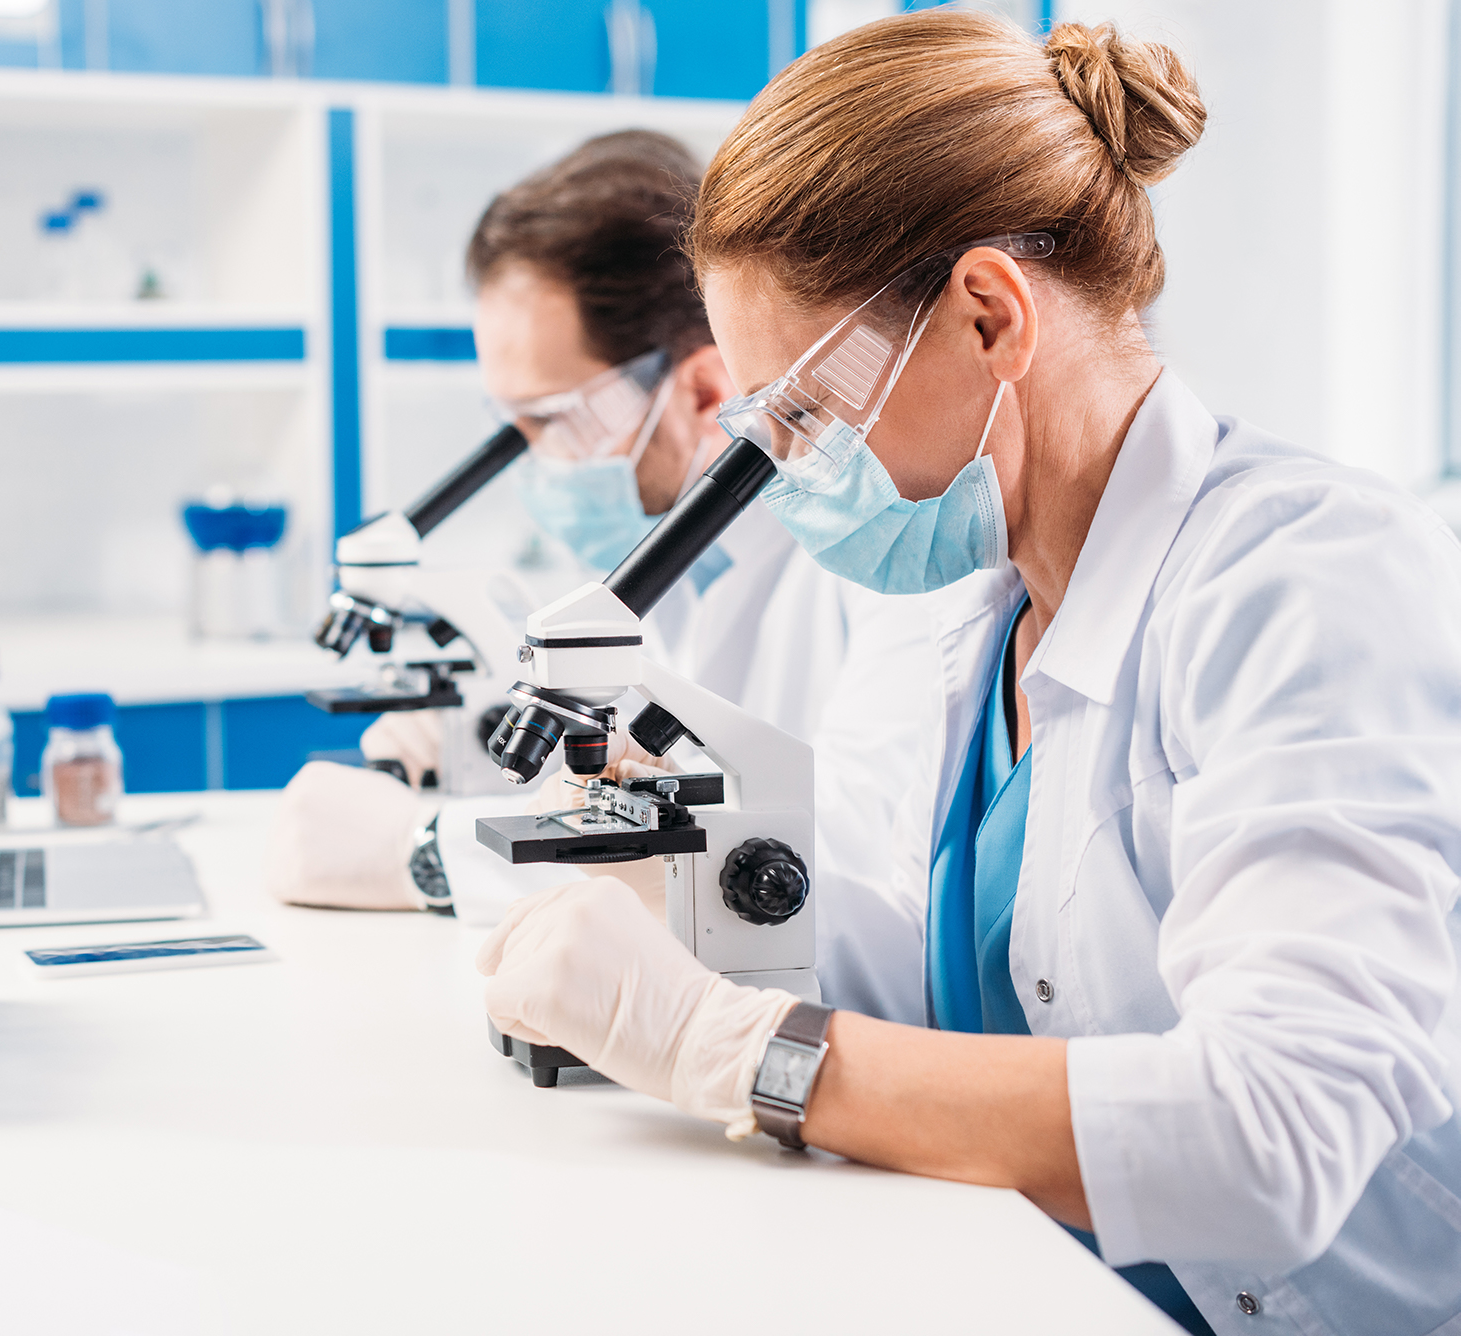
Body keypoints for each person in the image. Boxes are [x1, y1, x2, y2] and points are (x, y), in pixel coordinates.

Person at [475, 13, 1461, 1334]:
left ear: (988, 315)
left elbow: (1270, 1135)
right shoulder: (956, 611)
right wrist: (677, 874)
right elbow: (917, 998)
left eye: (804, 418)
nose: (791, 476)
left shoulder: (1305, 582)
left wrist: (724, 1046)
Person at [267, 131, 935, 1022]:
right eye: (508, 427)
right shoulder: (656, 560)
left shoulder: (885, 563)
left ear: (701, 392)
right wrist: (468, 755)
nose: (533, 462)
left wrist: (428, 853)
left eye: (548, 421)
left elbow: (842, 882)